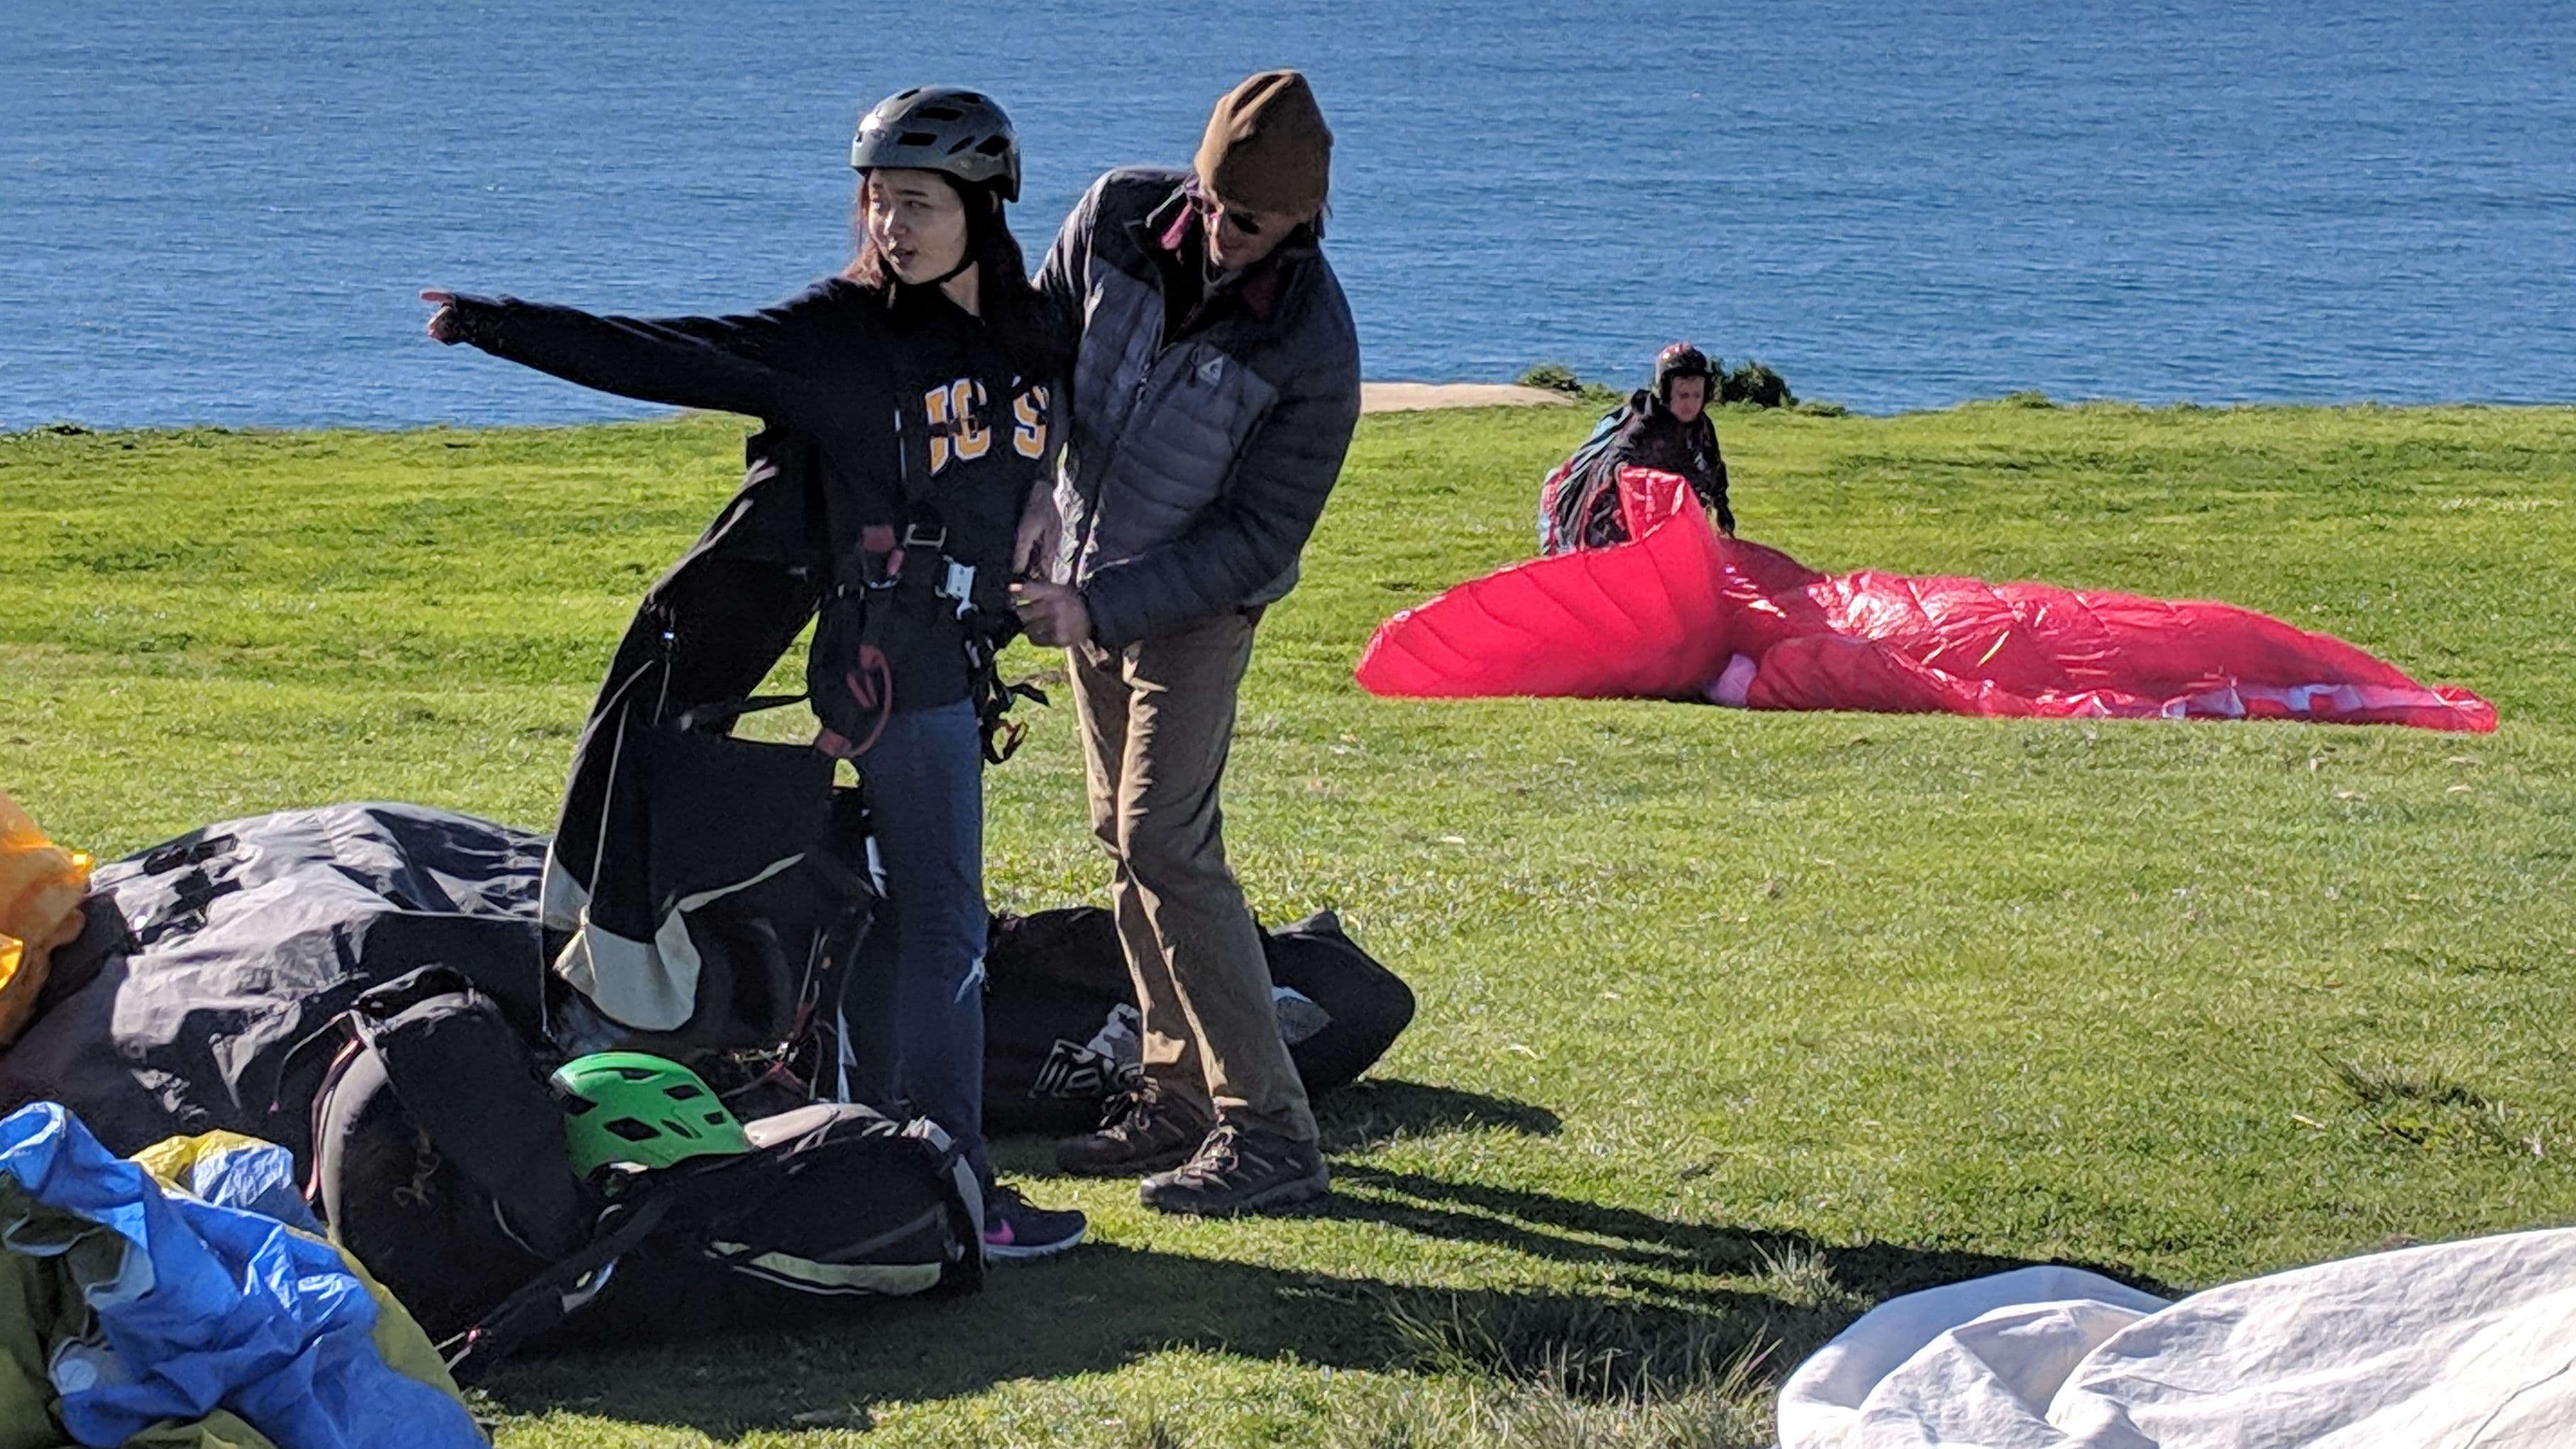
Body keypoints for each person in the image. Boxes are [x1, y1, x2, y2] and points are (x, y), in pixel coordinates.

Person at [419, 86, 1085, 1260]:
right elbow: (671, 350)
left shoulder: (1034, 334)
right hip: (888, 669)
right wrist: (496, 323)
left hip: (959, 663)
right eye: (878, 202)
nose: (891, 225)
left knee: (894, 917)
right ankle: (963, 1192)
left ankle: (889, 1160)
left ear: (988, 204)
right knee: (946, 928)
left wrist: (1047, 497)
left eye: (919, 204)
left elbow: (1058, 409)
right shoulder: (838, 337)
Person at [1008, 70, 1361, 1216]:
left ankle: (1270, 1132)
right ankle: (1172, 1095)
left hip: (1196, 610)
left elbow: (1257, 539)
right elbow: (1034, 355)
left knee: (1166, 838)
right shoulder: (1113, 216)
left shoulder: (1314, 347)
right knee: (1120, 838)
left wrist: (1101, 610)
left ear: (1304, 219)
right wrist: (1036, 487)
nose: (1216, 227)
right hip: (1085, 574)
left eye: (1246, 220)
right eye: (1209, 198)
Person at [1539, 342, 1734, 553]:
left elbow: (1714, 468)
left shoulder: (1701, 427)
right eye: (1683, 396)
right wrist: (1631, 475)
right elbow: (1617, 457)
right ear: (1666, 392)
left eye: (1697, 396)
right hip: (1626, 506)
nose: (1691, 405)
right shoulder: (1644, 422)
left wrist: (1721, 508)